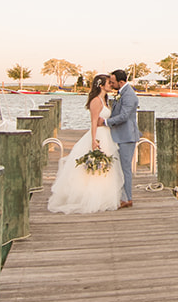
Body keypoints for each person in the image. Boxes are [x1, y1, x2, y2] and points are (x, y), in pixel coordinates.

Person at [47, 74, 124, 214]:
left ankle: (104, 195)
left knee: (107, 167)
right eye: (108, 83)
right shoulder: (96, 101)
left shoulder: (105, 99)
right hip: (99, 135)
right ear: (101, 85)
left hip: (107, 135)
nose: (111, 85)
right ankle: (92, 197)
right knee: (96, 167)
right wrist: (94, 140)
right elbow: (94, 122)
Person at [104, 69, 141, 208]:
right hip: (120, 135)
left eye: (113, 82)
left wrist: (106, 122)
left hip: (127, 136)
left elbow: (124, 116)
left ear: (121, 82)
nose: (111, 84)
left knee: (125, 168)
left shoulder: (129, 95)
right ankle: (121, 196)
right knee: (119, 167)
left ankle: (128, 198)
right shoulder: (122, 93)